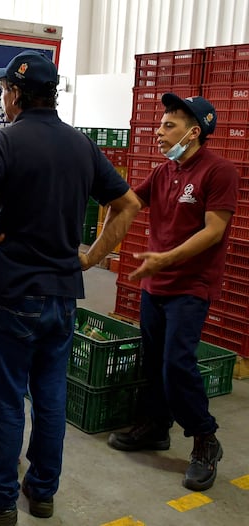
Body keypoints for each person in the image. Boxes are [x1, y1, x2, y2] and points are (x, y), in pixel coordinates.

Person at [0, 50, 140, 525]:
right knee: (51, 398)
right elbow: (128, 203)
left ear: (14, 94)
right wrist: (90, 257)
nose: (3, 99)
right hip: (62, 298)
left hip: (11, 295)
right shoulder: (81, 145)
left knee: (8, 398)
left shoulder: (5, 142)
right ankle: (43, 491)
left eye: (4, 91)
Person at [107, 93, 238, 492]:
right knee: (152, 361)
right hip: (155, 284)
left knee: (176, 365)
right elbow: (129, 201)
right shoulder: (165, 172)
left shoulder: (218, 171)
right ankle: (156, 427)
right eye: (160, 125)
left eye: (169, 126)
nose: (159, 132)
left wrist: (166, 260)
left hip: (190, 286)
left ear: (194, 131)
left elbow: (213, 230)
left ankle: (204, 440)